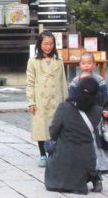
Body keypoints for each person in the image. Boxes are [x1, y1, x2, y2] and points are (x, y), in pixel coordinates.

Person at [45, 77, 103, 194]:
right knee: (89, 154)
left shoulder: (63, 108)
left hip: (60, 163)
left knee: (49, 145)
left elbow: (53, 132)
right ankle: (95, 178)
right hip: (85, 160)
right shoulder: (98, 112)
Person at [26, 30, 67, 167]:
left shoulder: (59, 61)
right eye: (45, 44)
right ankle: (43, 154)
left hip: (56, 100)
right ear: (39, 44)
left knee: (56, 128)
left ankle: (53, 153)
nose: (48, 47)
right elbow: (30, 82)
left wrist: (66, 102)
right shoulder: (33, 61)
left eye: (51, 44)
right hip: (40, 100)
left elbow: (63, 82)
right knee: (41, 129)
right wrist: (31, 101)